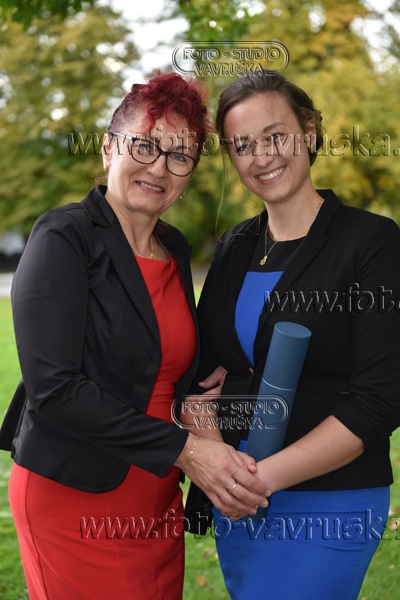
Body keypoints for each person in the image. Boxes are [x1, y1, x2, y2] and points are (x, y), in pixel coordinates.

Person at [0, 72, 270, 600]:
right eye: (145, 146)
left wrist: (212, 387)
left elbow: (167, 365)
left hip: (158, 498)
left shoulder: (175, 249)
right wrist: (187, 451)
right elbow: (56, 390)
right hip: (75, 496)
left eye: (179, 156)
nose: (159, 167)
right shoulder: (64, 236)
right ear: (108, 148)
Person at [184, 69, 400, 600]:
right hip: (236, 498)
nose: (261, 157)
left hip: (329, 501)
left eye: (275, 135)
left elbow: (380, 399)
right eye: (242, 145)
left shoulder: (371, 242)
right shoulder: (235, 245)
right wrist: (214, 459)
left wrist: (257, 479)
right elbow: (198, 375)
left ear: (308, 130)